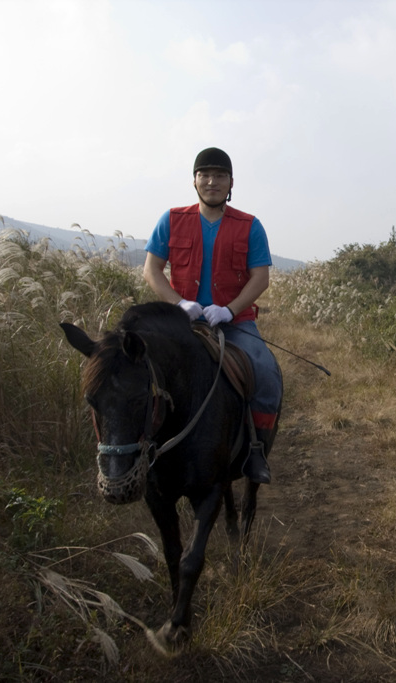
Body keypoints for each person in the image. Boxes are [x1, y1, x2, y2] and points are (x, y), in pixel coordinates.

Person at [143, 147, 281, 484]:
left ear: (231, 182)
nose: (211, 181)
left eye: (219, 175)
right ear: (194, 181)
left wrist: (230, 310)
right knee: (143, 372)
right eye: (204, 175)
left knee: (265, 373)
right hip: (183, 322)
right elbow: (152, 270)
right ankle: (143, 450)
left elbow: (259, 277)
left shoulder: (250, 226)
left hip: (235, 322)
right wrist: (179, 304)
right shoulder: (172, 219)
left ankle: (255, 452)